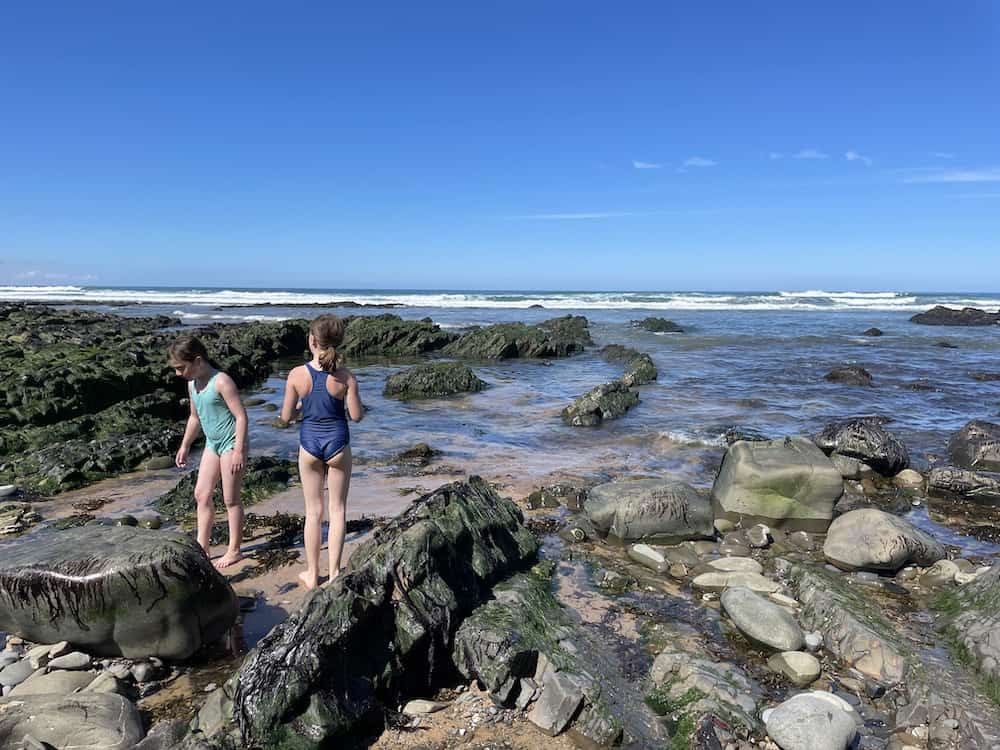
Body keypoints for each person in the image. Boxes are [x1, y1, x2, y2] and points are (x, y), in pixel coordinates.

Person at [281, 314, 364, 589]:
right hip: (338, 444)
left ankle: (312, 573)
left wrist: (303, 407)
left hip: (309, 445)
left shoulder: (296, 375)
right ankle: (335, 574)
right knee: (337, 510)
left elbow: (285, 418)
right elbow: (356, 416)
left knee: (313, 512)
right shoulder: (347, 377)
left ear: (312, 341)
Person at [169, 335, 248, 569]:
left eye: (181, 367)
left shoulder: (221, 381)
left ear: (198, 360)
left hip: (232, 443)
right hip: (212, 444)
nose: (177, 373)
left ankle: (234, 550)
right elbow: (195, 417)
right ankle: (202, 546)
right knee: (201, 494)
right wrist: (185, 445)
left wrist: (239, 451)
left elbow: (242, 416)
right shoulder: (192, 383)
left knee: (230, 499)